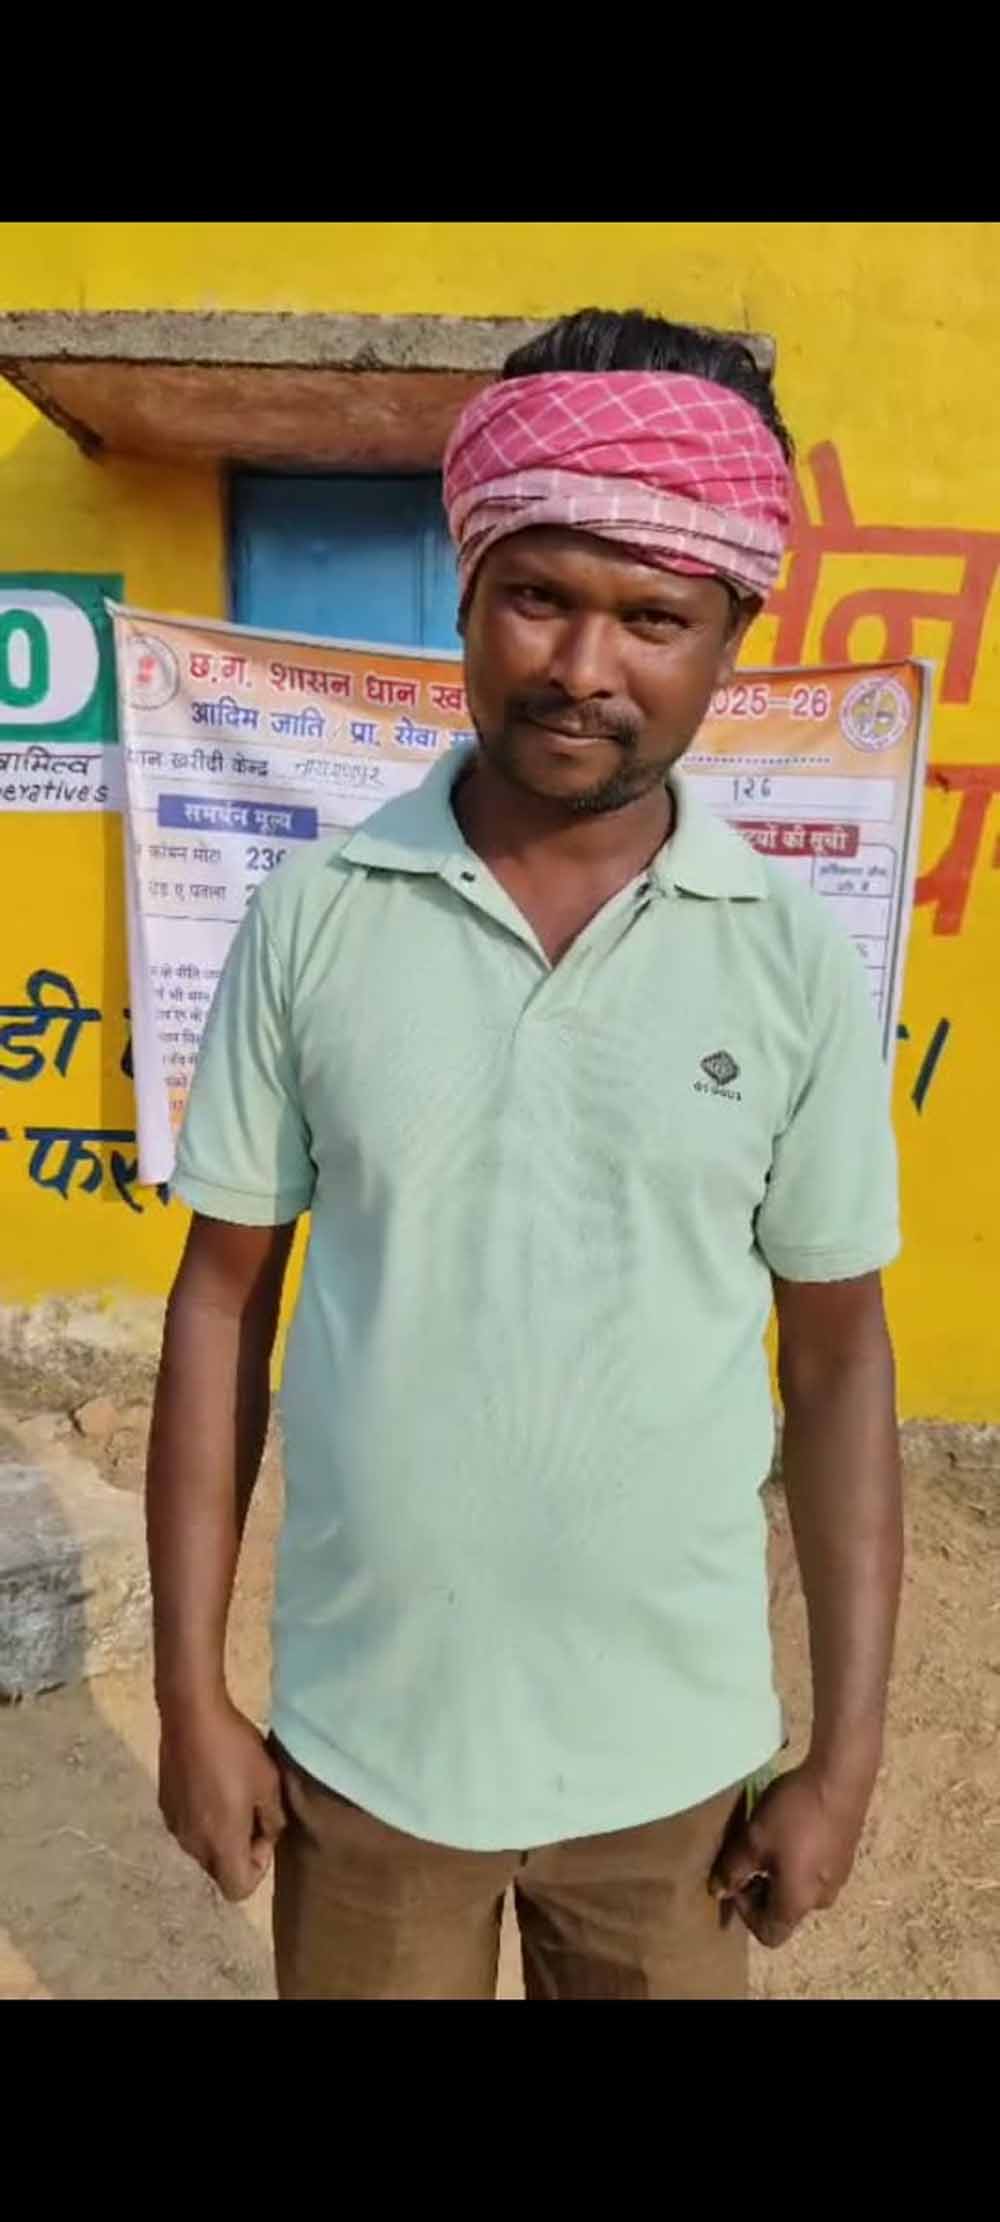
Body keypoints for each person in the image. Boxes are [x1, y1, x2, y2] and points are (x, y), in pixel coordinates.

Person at [147, 307, 903, 2001]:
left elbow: (841, 1356)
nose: (584, 665)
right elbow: (219, 1304)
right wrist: (192, 1693)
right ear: (467, 589)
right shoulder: (318, 914)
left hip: (674, 1773)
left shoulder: (788, 958)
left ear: (732, 637)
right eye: (539, 595)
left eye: (656, 617)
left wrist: (843, 1757)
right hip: (371, 1752)